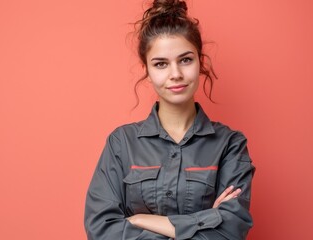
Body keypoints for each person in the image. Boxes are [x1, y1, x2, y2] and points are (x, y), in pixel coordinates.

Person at [84, 0, 255, 239]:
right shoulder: (121, 143)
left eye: (185, 60)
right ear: (147, 69)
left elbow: (231, 229)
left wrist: (145, 220)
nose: (175, 74)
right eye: (161, 64)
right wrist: (205, 221)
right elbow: (102, 229)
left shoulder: (230, 145)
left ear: (200, 61)